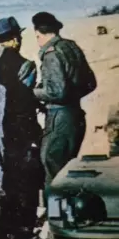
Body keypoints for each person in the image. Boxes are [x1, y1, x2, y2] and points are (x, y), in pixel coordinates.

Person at [0, 17, 44, 239]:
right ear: (16, 38)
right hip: (18, 135)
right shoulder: (26, 66)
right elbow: (26, 103)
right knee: (21, 188)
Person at [32, 12, 97, 187]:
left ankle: (56, 213)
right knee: (67, 168)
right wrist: (72, 95)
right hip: (75, 115)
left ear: (39, 33)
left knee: (53, 167)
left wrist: (33, 93)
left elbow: (56, 92)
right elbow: (90, 83)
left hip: (59, 118)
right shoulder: (71, 47)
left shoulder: (51, 53)